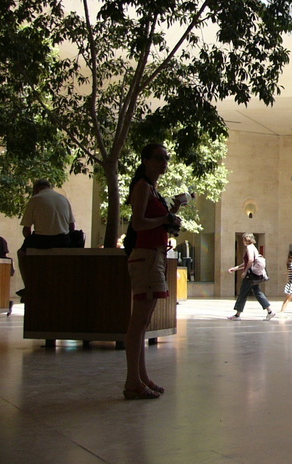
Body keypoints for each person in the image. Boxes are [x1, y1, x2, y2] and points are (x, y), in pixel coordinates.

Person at [123, 143, 187, 400]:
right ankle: (132, 382)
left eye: (166, 158)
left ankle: (141, 377)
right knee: (138, 322)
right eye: (159, 158)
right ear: (146, 161)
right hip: (145, 256)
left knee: (144, 322)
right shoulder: (141, 187)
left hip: (155, 256)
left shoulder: (152, 189)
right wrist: (164, 219)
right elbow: (138, 223)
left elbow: (157, 223)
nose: (164, 162)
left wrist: (172, 213)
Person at [227, 233, 276, 321]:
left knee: (243, 293)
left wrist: (245, 272)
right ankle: (270, 311)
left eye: (244, 239)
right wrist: (236, 268)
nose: (243, 241)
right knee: (257, 292)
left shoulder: (249, 248)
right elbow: (248, 262)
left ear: (246, 240)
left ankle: (237, 315)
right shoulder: (254, 247)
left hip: (250, 275)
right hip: (254, 275)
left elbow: (250, 260)